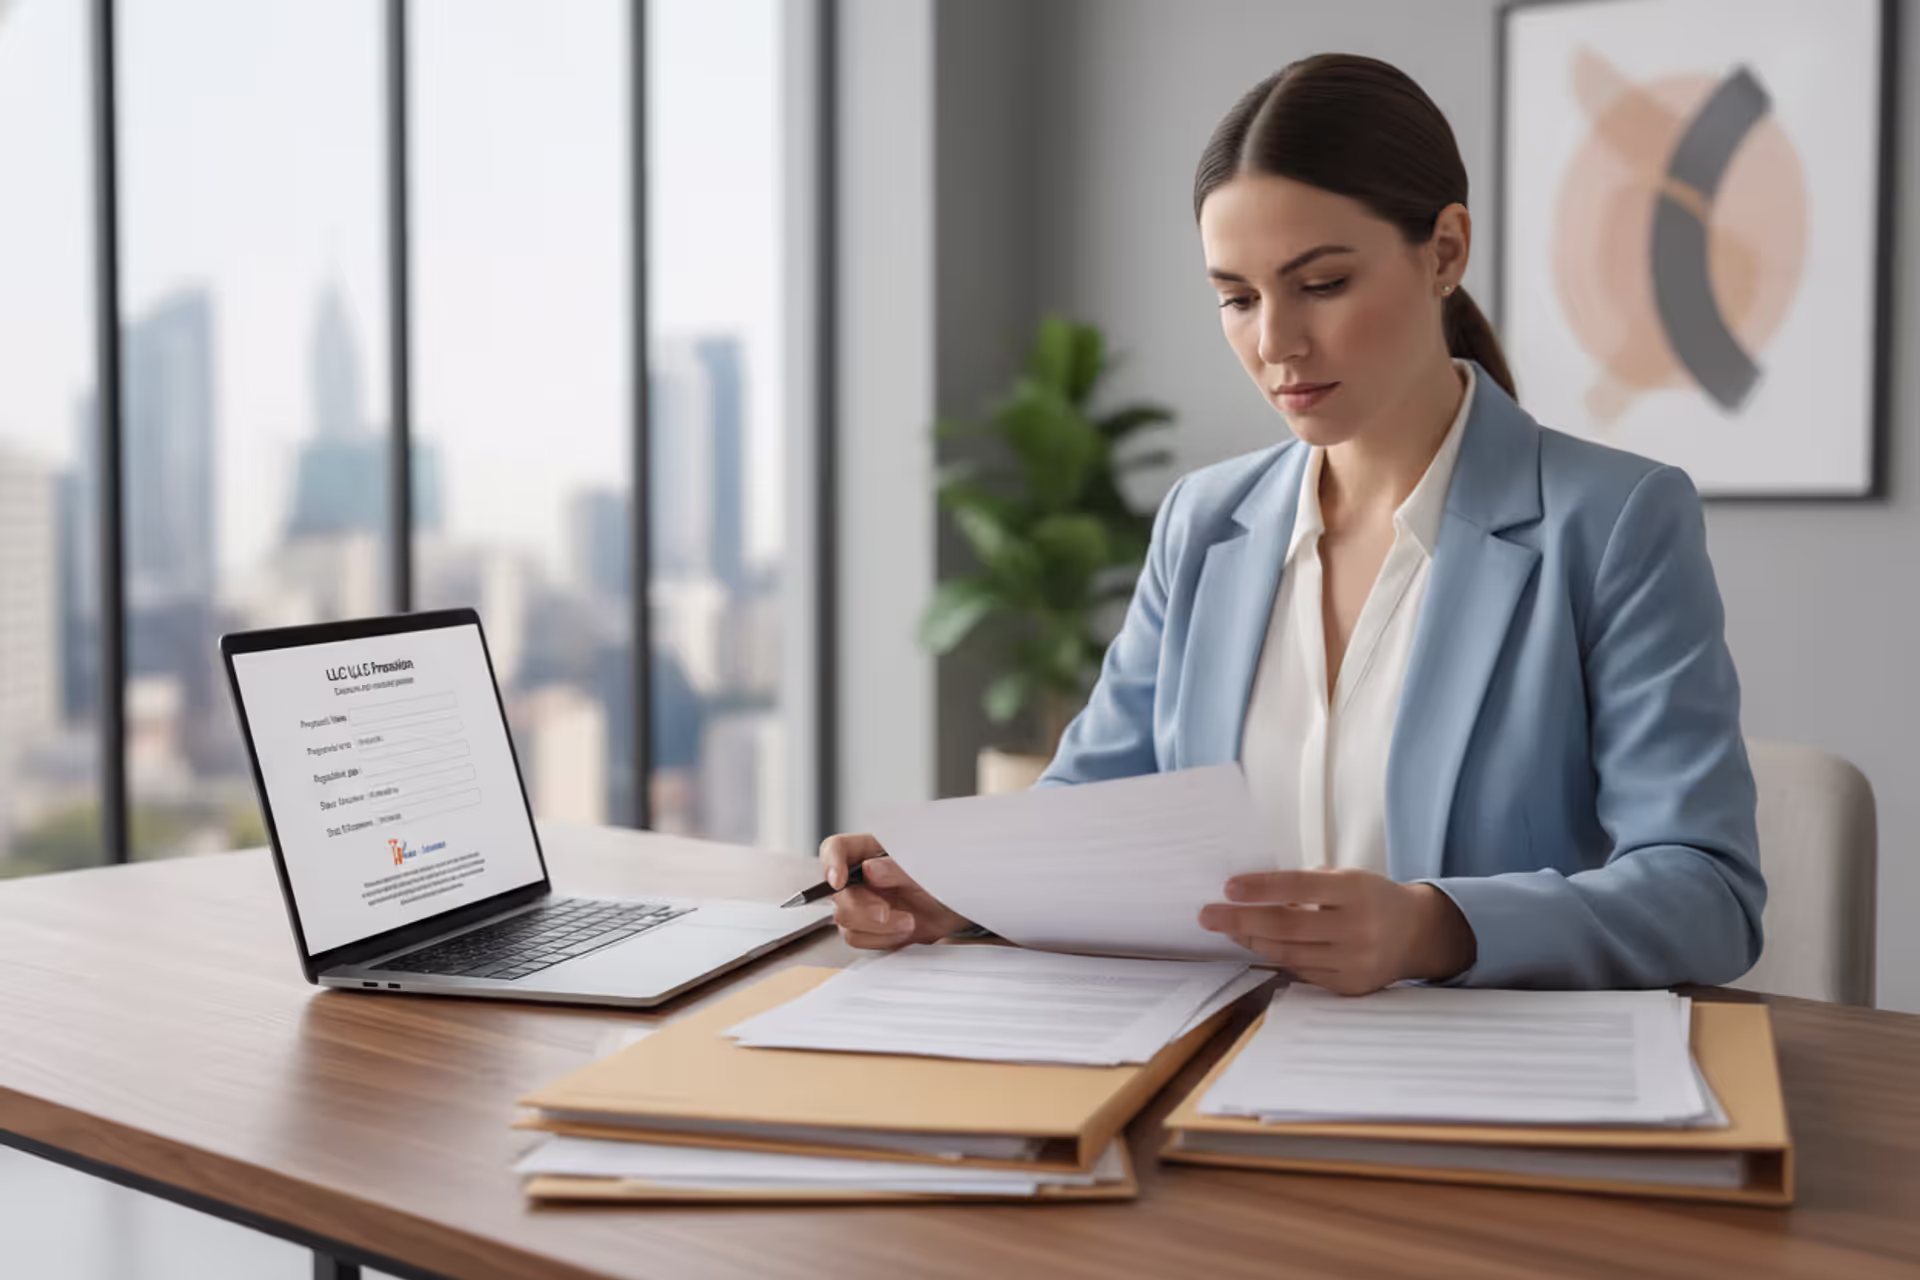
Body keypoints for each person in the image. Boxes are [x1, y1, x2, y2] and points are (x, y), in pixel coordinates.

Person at [819, 54, 1765, 994]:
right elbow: (1088, 813)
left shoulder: (1614, 521)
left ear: (1444, 251)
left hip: (1476, 1096)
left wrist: (1436, 927)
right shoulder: (1206, 521)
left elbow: (1707, 894)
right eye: (1237, 298)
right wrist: (961, 885)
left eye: (1321, 284)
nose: (1275, 343)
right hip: (1209, 1074)